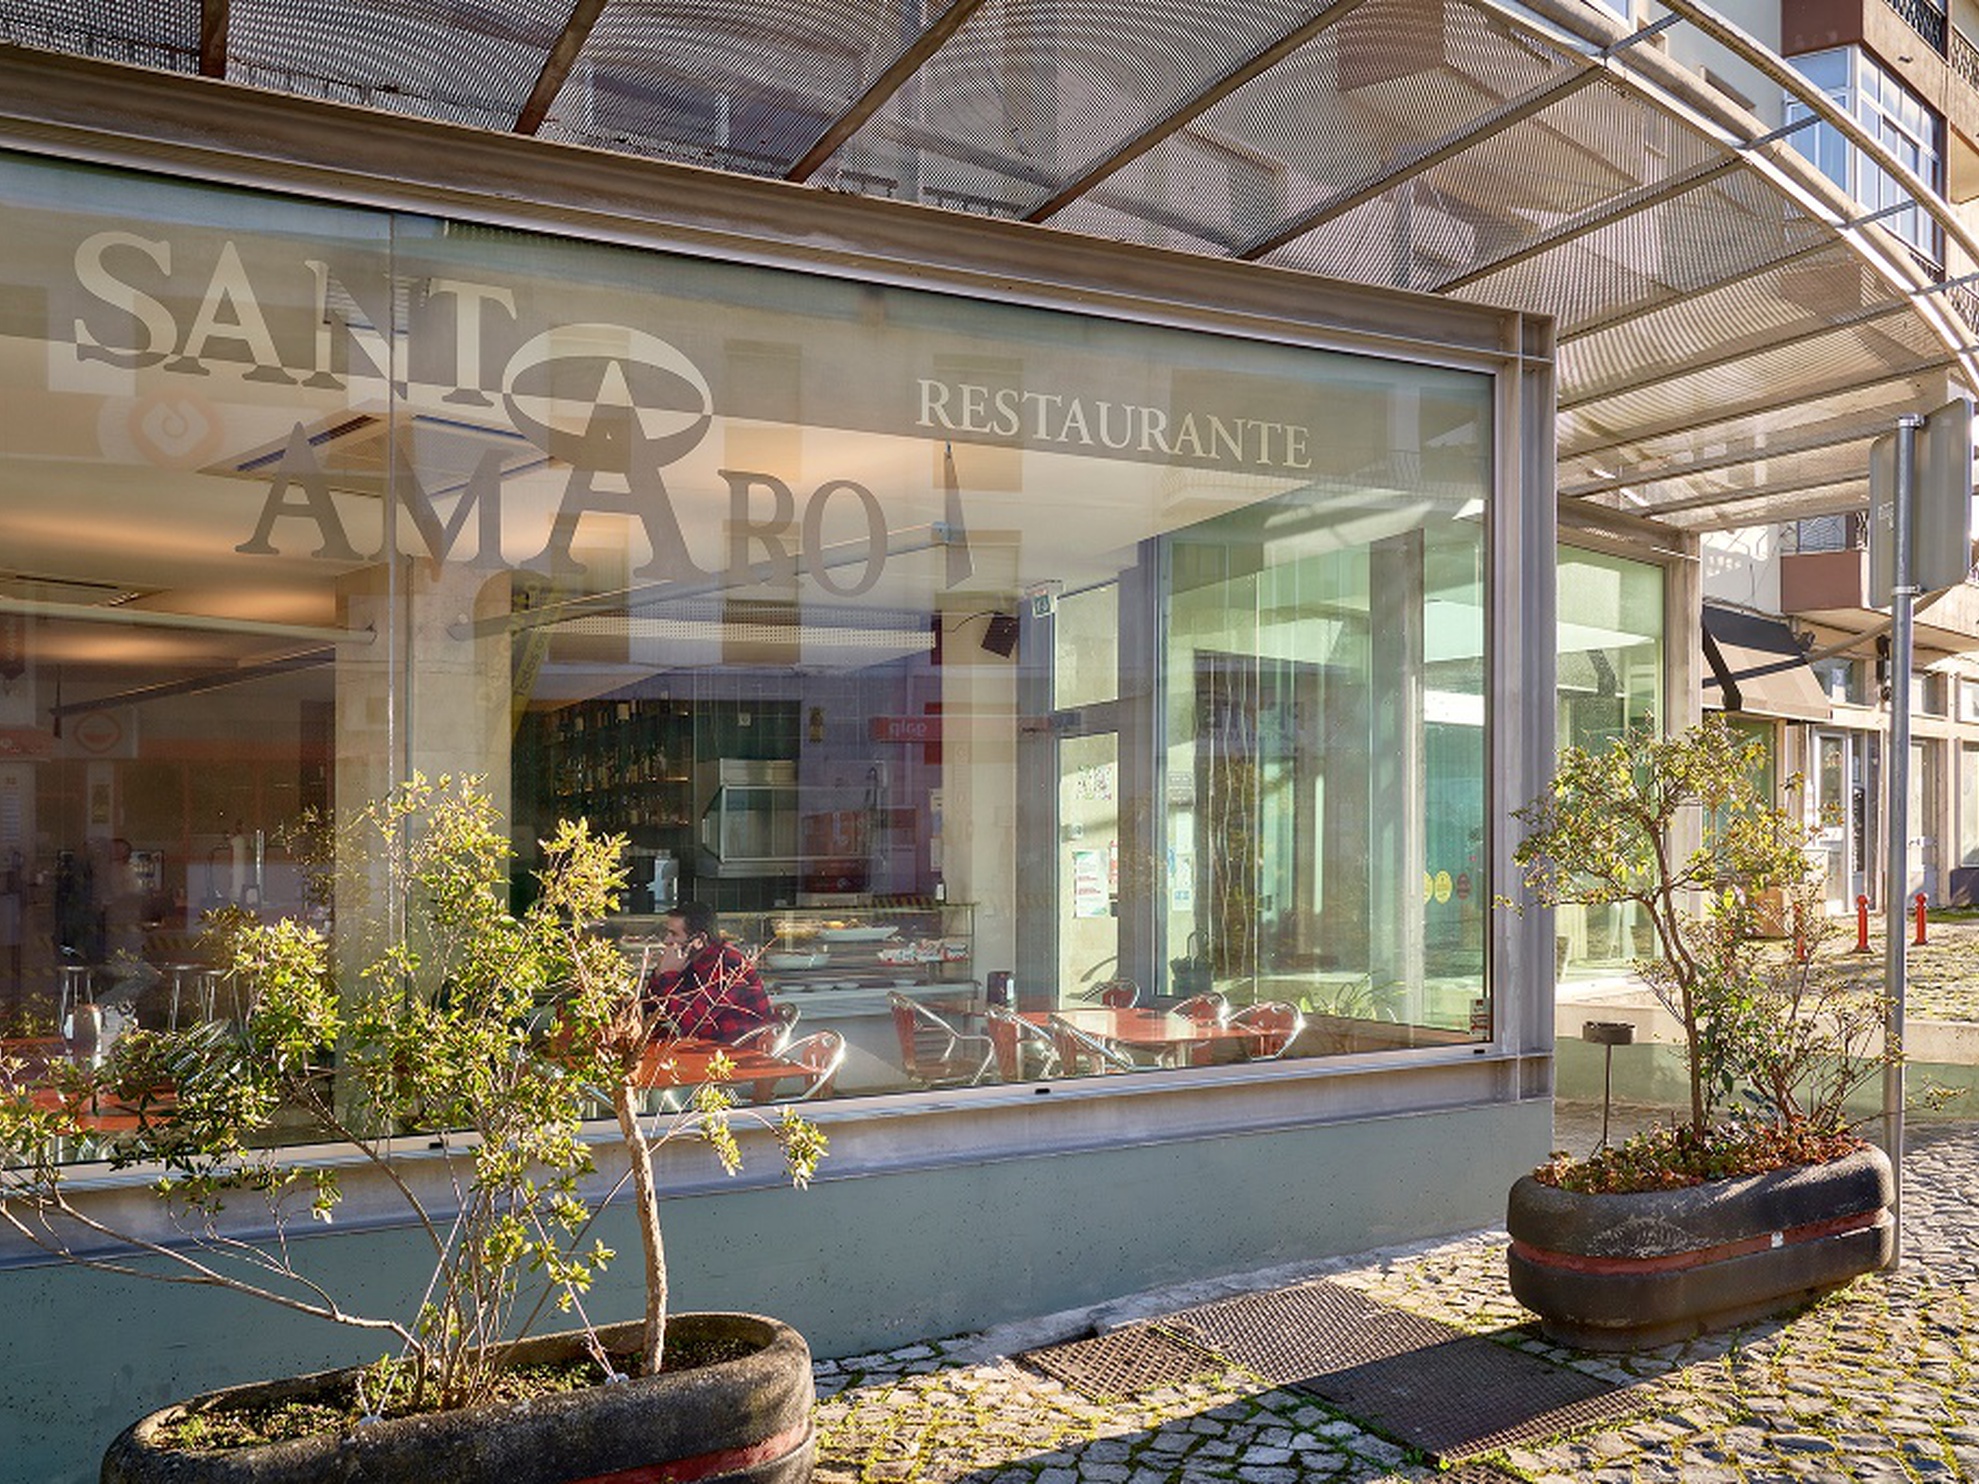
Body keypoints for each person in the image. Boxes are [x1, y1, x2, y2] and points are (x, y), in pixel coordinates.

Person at [642, 900, 774, 1044]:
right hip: (705, 1045)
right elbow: (649, 1010)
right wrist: (659, 974)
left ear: (699, 940)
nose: (667, 940)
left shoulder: (728, 964)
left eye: (674, 934)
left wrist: (668, 975)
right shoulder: (690, 960)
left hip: (739, 1049)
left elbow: (691, 1023)